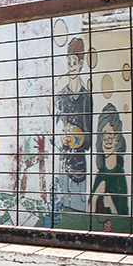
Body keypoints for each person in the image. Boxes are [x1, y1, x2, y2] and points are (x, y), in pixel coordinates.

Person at [56, 37, 92, 212]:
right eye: (69, 61)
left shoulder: (86, 98)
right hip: (63, 162)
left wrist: (76, 137)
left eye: (74, 61)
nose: (71, 65)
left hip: (79, 165)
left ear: (81, 64)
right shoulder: (61, 95)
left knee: (78, 209)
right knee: (62, 210)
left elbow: (89, 140)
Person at [88, 103, 128, 216]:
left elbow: (123, 219)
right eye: (104, 136)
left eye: (111, 136)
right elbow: (89, 211)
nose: (107, 141)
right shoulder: (101, 173)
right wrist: (96, 195)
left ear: (117, 139)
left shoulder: (119, 174)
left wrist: (111, 204)